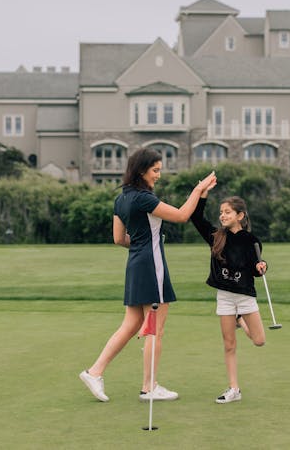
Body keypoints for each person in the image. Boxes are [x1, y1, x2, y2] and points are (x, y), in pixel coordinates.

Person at [79, 147, 217, 402]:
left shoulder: (121, 198)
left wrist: (142, 243)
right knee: (155, 329)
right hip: (152, 266)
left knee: (131, 324)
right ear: (142, 171)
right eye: (155, 171)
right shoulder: (144, 198)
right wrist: (198, 190)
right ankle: (149, 387)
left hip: (135, 264)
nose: (158, 175)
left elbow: (118, 239)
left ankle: (94, 371)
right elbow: (182, 215)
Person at [190, 190, 266, 404]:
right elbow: (196, 217)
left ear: (240, 215)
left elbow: (255, 269)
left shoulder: (251, 241)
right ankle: (234, 388)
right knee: (229, 344)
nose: (222, 216)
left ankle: (240, 319)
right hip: (224, 295)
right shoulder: (216, 236)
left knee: (259, 340)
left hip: (245, 297)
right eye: (221, 212)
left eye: (228, 212)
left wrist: (262, 267)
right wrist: (202, 194)